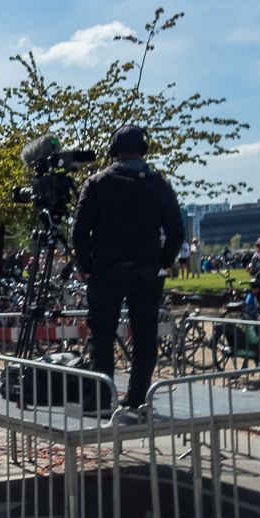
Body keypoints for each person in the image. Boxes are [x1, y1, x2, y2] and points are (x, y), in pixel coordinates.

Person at [72, 125, 183, 415]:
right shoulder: (160, 184)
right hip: (148, 271)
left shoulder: (96, 183)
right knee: (146, 334)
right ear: (144, 151)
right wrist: (163, 263)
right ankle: (138, 398)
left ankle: (99, 400)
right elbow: (176, 230)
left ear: (113, 151)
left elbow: (80, 229)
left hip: (107, 269)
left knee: (102, 334)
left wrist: (84, 266)